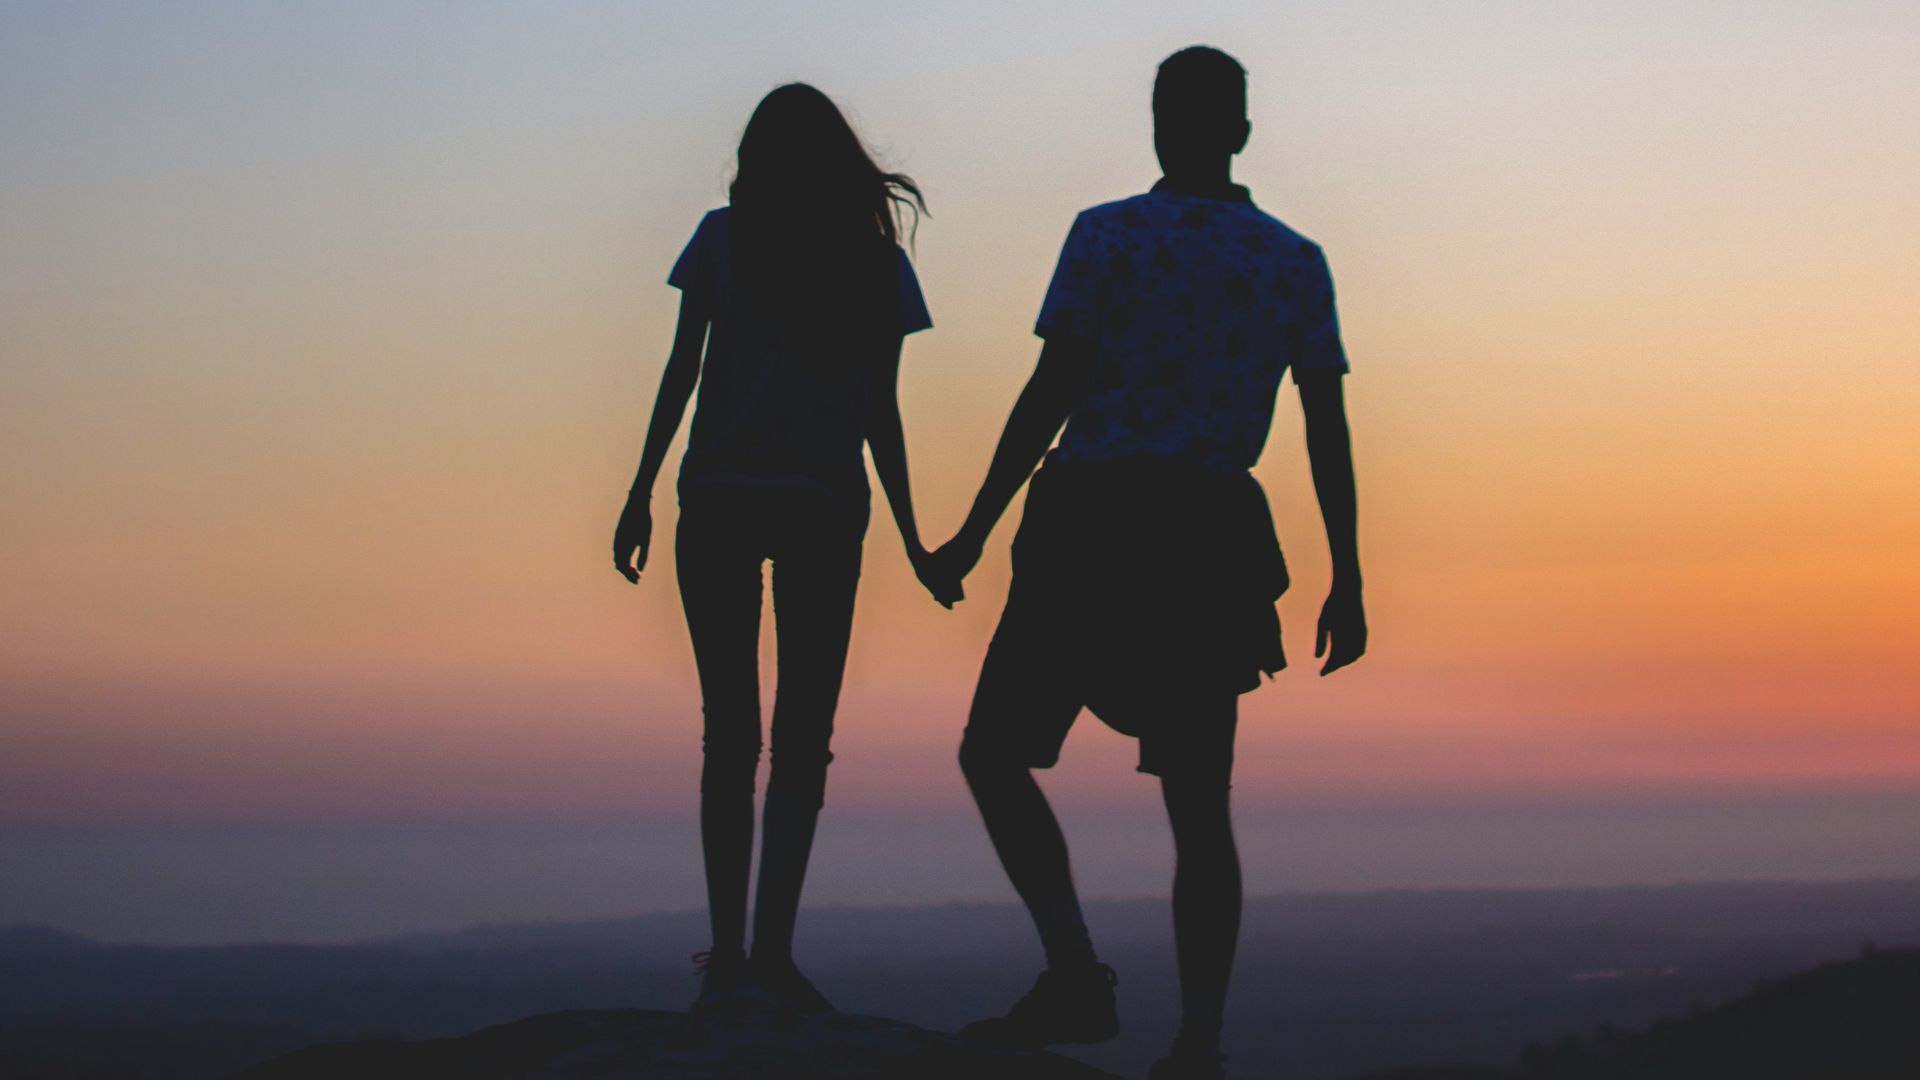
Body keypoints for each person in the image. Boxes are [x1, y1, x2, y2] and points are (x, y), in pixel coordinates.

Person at [926, 46, 1369, 1080]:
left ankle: (1076, 975)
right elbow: (1326, 429)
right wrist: (1348, 575)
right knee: (1199, 808)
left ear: (1162, 127)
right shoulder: (1291, 260)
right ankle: (1200, 1044)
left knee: (995, 753)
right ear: (1242, 132)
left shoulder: (1107, 236)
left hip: (1090, 523)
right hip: (1207, 539)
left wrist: (975, 530)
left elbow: (1052, 392)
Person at [612, 83, 953, 1015]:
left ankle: (731, 958)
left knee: (734, 737)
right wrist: (917, 539)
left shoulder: (724, 237)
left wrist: (642, 491)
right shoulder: (874, 263)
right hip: (821, 507)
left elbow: (682, 372)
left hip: (717, 499)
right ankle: (769, 957)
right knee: (801, 743)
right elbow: (880, 412)